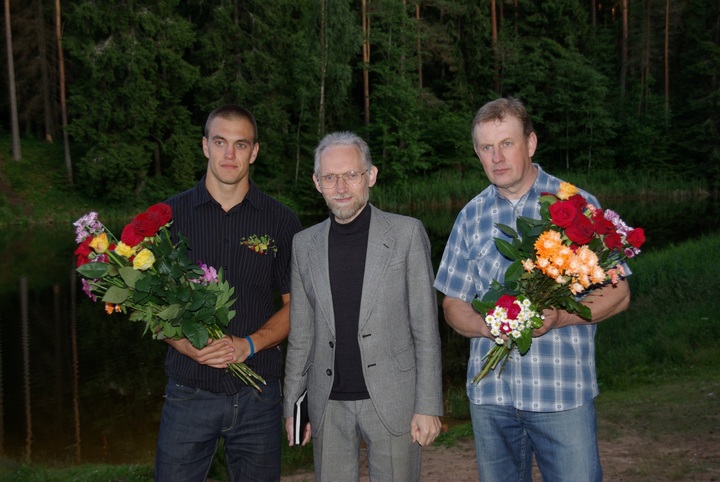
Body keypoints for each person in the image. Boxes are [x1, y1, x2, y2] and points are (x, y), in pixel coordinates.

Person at [434, 98, 631, 482]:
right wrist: (487, 326)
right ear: (477, 153)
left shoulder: (576, 205)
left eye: (506, 143)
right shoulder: (470, 216)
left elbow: (619, 293)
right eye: (486, 148)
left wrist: (560, 317)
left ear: (531, 143)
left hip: (562, 395)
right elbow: (452, 303)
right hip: (491, 399)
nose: (497, 157)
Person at [283, 131, 444, 481]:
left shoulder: (406, 234)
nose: (341, 187)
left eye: (351, 175)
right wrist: (294, 406)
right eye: (330, 177)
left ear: (370, 175)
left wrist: (428, 405)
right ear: (317, 183)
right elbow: (301, 336)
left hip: (394, 399)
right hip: (327, 404)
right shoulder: (303, 245)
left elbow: (426, 329)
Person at [155, 104, 302, 482]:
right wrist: (186, 344)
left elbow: (298, 307)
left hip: (259, 395)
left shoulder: (281, 221)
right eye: (220, 142)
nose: (230, 154)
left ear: (254, 152)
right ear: (205, 145)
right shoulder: (167, 218)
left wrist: (249, 344)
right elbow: (151, 307)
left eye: (241, 144)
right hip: (188, 391)